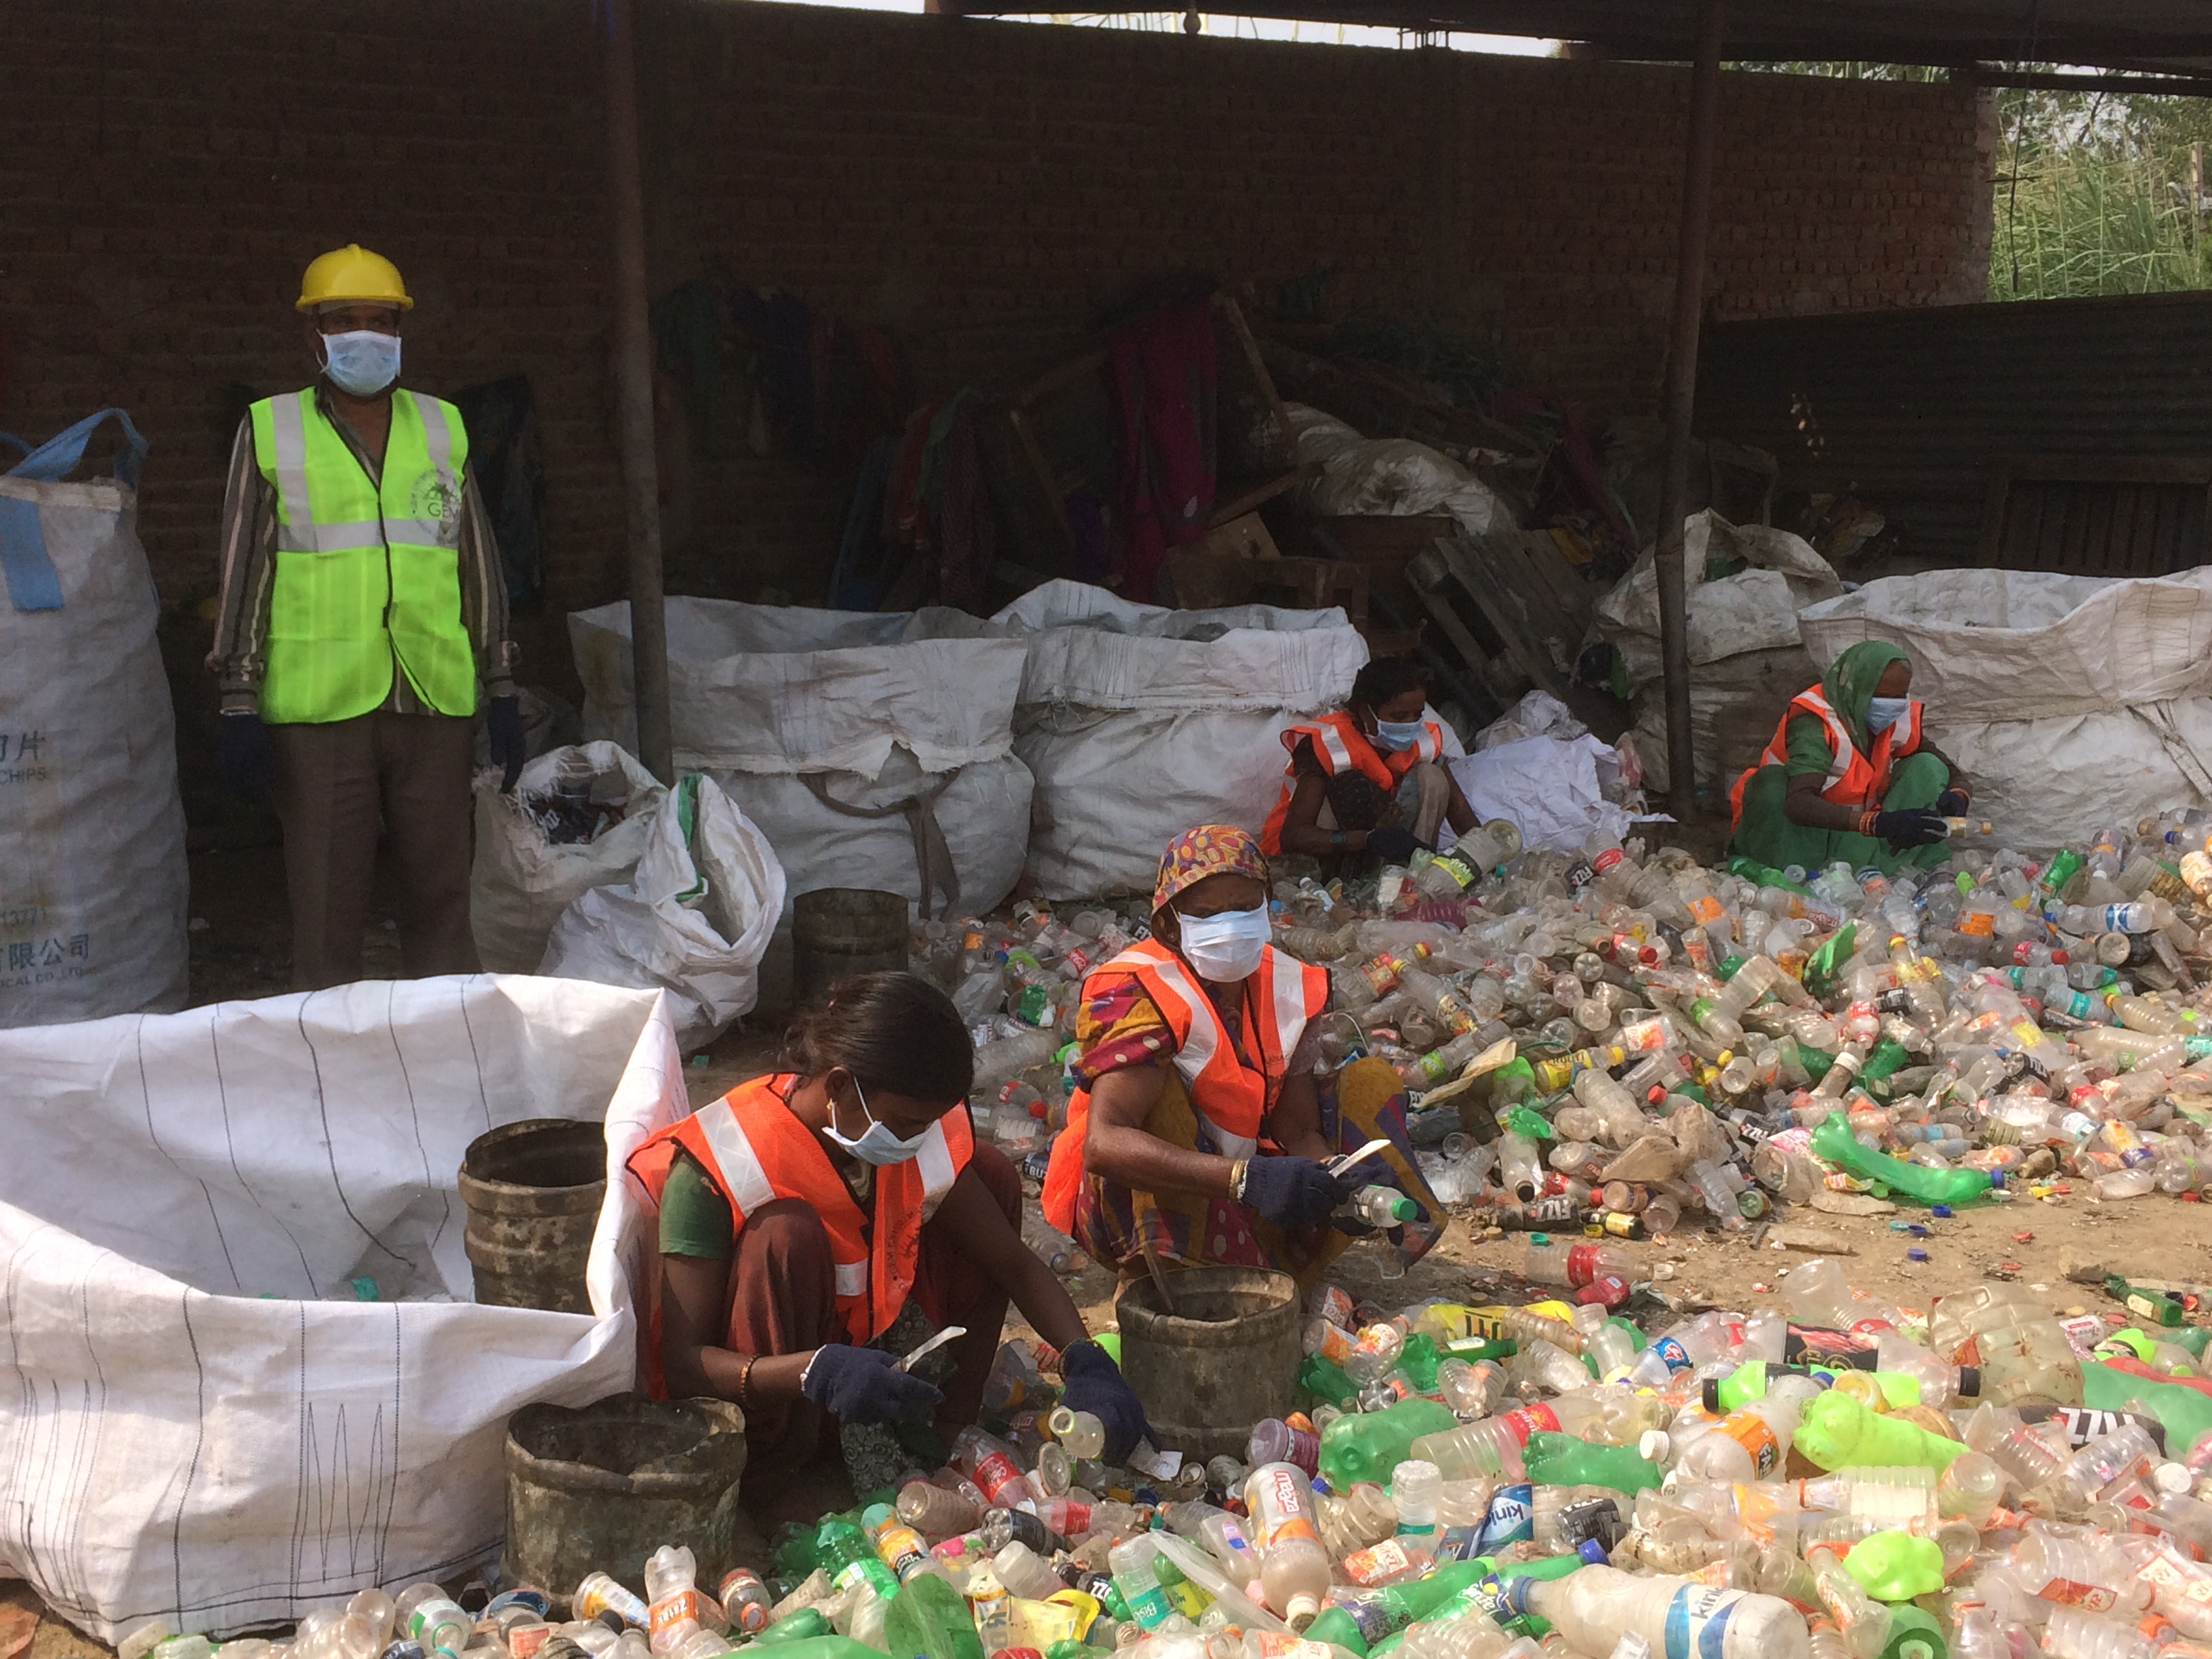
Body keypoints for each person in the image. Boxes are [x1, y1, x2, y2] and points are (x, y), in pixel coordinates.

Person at [628, 972, 1147, 1523]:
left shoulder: (905, 1136)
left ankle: (943, 1431)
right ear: (838, 1087)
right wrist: (813, 1371)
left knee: (988, 1173)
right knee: (785, 1234)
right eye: (906, 1123)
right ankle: (770, 1481)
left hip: (877, 1364)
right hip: (776, 1387)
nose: (918, 1138)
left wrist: (1084, 1358)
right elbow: (682, 1365)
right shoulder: (722, 1160)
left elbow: (1013, 1264)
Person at [207, 243, 525, 989]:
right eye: (343, 320)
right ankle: (337, 1072)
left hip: (434, 696)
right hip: (320, 711)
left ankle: (445, 1054)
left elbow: (474, 560)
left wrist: (502, 680)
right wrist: (238, 698)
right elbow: (244, 570)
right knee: (326, 905)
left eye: (379, 321)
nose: (364, 336)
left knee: (443, 898)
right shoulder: (272, 429)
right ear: (310, 335)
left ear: (400, 332)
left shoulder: (443, 427)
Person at [1041, 825, 1443, 1286]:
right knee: (1161, 1099)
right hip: (1146, 1193)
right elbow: (1105, 1143)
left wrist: (1339, 1177)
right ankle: (1166, 1279)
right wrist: (1243, 1180)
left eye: (1245, 907)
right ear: (1171, 923)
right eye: (1208, 913)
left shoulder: (1286, 983)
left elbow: (1298, 1127)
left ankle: (1276, 1268)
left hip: (1245, 1181)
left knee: (1372, 1081)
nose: (1230, 926)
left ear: (1267, 904)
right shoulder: (1137, 987)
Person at [1729, 640, 1971, 875]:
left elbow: (1949, 769)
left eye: (1901, 696)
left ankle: (1894, 869)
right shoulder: (1814, 721)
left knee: (1927, 766)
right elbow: (1799, 804)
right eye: (1884, 697)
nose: (1894, 706)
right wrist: (1876, 823)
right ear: (1858, 690)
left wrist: (1959, 795)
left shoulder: (1895, 719)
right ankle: (1793, 877)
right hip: (1798, 831)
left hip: (1853, 830)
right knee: (1772, 785)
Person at [1262, 657, 1479, 865]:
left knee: (1432, 776)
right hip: (1319, 855)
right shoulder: (1328, 744)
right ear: (1366, 712)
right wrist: (1367, 839)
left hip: (1388, 848)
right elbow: (1293, 836)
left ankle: (1413, 873)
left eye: (1418, 714)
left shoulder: (1423, 742)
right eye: (1399, 717)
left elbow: (1459, 809)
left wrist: (1486, 848)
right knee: (1349, 783)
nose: (1411, 724)